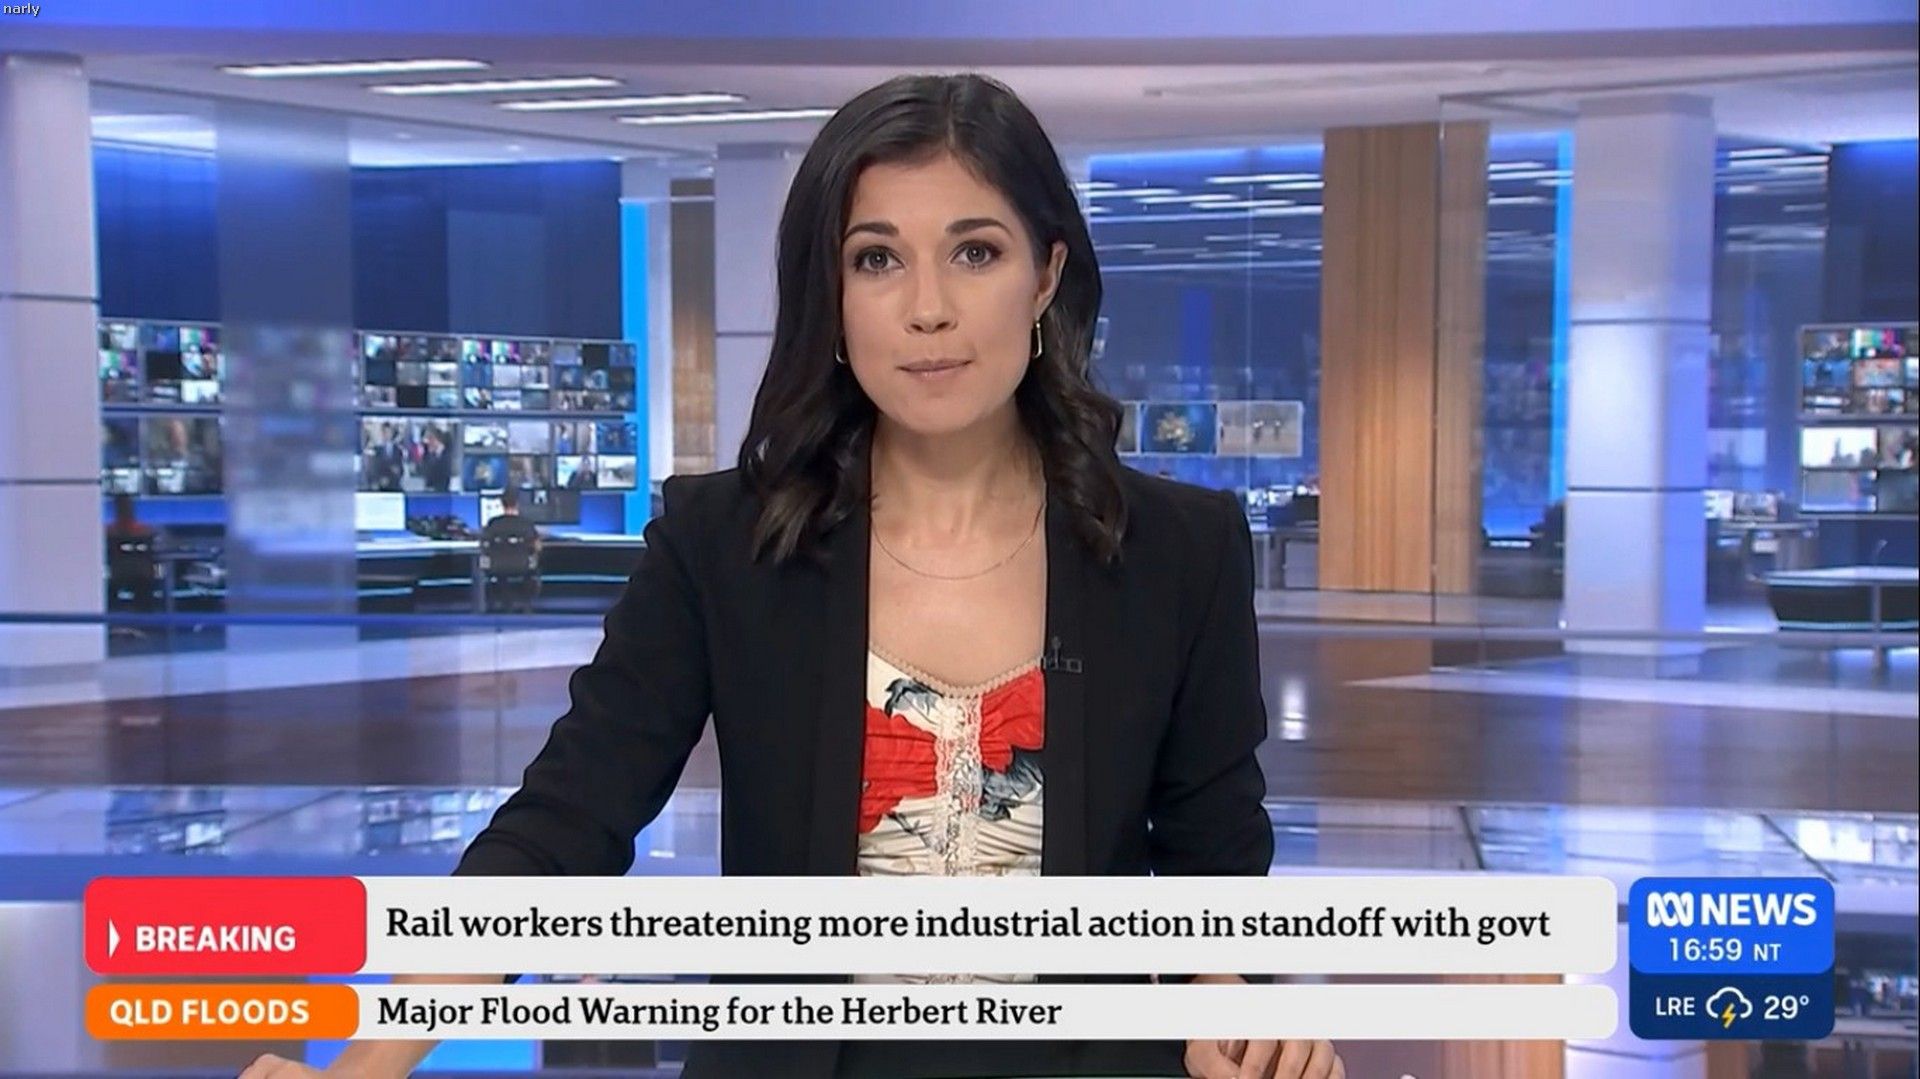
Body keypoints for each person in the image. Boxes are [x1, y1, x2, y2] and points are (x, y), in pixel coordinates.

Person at [245, 73, 1338, 1079]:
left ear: (1046, 274)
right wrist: (370, 1061)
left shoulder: (1178, 549)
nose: (927, 308)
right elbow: (564, 823)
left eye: (975, 252)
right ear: (832, 289)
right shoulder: (724, 542)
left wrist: (1237, 1008)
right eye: (877, 259)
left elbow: (1215, 868)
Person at [480, 488, 542, 613]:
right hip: (522, 565)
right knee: (534, 569)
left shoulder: (493, 523)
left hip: (497, 566)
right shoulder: (526, 523)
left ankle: (505, 603)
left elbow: (483, 545)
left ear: (502, 504)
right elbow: (538, 547)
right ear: (517, 503)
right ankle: (526, 604)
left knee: (500, 572)